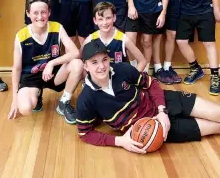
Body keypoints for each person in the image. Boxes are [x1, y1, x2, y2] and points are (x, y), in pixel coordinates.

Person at [76, 40, 220, 152]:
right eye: (94, 62)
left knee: (217, 113)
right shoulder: (85, 100)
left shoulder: (122, 69)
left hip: (163, 102)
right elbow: (85, 133)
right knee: (216, 127)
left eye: (104, 59)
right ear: (85, 66)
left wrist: (162, 111)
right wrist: (120, 141)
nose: (101, 66)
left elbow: (151, 83)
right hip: (150, 127)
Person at [8, 0, 83, 124]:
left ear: (49, 12)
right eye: (35, 13)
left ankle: (64, 102)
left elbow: (75, 52)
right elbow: (17, 68)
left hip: (53, 73)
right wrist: (14, 99)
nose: (40, 16)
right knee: (25, 108)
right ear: (28, 13)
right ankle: (37, 94)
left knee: (77, 64)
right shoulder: (21, 36)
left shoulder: (57, 27)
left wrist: (51, 63)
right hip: (31, 76)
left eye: (43, 12)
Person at [84, 1, 146, 71]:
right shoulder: (90, 39)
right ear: (95, 20)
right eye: (100, 19)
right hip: (99, 79)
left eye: (108, 18)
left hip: (118, 80)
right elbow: (81, 61)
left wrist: (133, 78)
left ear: (114, 17)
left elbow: (142, 61)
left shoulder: (123, 39)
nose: (105, 22)